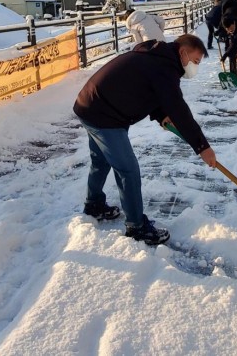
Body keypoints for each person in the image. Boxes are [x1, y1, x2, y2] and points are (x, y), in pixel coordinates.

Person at [73, 33, 216, 246]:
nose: (195, 66)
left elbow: (152, 91)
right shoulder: (163, 67)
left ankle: (94, 204)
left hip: (92, 105)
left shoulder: (158, 58)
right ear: (182, 52)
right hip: (104, 114)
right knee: (128, 170)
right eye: (195, 61)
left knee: (101, 161)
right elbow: (178, 109)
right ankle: (136, 227)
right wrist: (202, 146)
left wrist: (160, 115)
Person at [217, 13, 237, 77]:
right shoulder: (224, 22)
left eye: (231, 28)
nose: (230, 30)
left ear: (233, 23)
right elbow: (233, 44)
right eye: (228, 30)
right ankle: (233, 75)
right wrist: (225, 55)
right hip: (235, 36)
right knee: (231, 54)